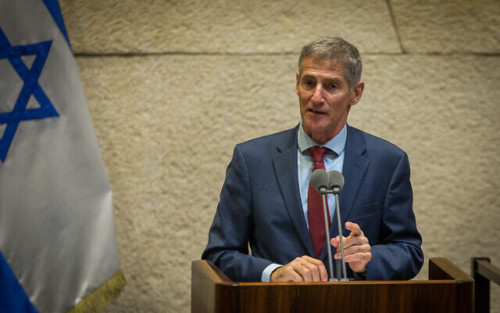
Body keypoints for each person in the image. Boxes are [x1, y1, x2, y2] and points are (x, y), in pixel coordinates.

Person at [202, 36, 423, 282]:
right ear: (297, 84)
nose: (316, 97)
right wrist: (272, 273)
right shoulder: (252, 160)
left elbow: (408, 251)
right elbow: (218, 255)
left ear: (356, 93)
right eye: (309, 83)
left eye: (331, 86)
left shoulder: (387, 162)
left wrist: (369, 260)